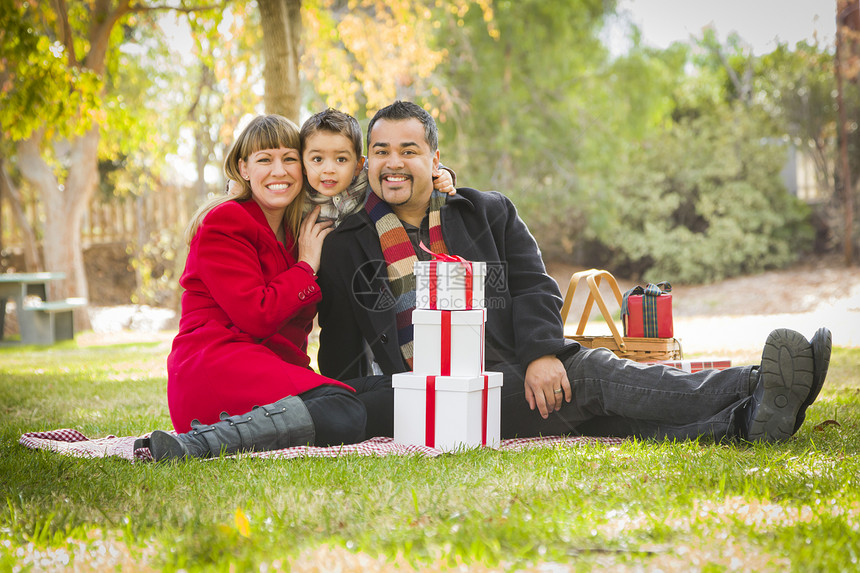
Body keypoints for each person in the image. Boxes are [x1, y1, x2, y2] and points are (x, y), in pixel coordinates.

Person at [316, 100, 833, 443]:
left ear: (433, 159)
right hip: (440, 397)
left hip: (515, 365)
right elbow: (341, 351)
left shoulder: (486, 211)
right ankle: (761, 384)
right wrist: (362, 409)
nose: (394, 163)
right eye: (381, 151)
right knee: (589, 376)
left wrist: (542, 353)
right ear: (366, 164)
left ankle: (752, 418)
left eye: (409, 150)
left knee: (606, 416)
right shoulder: (347, 246)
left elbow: (534, 286)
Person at [148, 114, 368, 461]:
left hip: (272, 370)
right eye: (265, 160)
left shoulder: (300, 229)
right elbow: (257, 316)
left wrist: (437, 174)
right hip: (217, 368)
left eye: (289, 159)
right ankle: (195, 444)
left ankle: (210, 439)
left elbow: (359, 180)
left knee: (387, 393)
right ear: (244, 168)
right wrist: (307, 266)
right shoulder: (226, 221)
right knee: (346, 408)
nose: (279, 171)